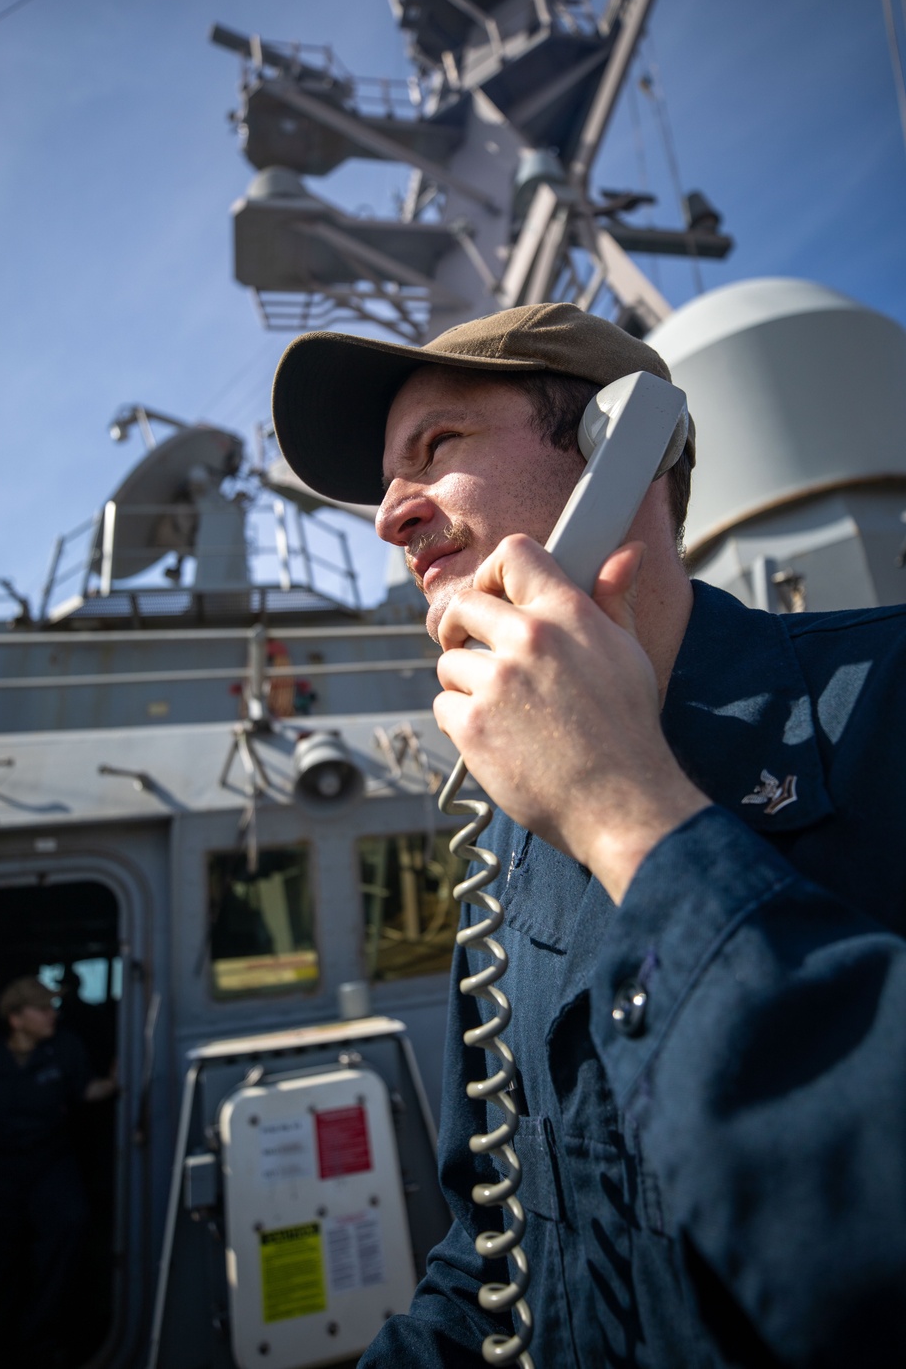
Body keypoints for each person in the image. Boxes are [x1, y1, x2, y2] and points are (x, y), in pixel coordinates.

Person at [271, 302, 906, 1367]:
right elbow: (489, 1264)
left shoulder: (887, 701)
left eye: (437, 448)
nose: (389, 517)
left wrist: (620, 807)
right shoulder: (504, 837)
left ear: (625, 441)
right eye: (387, 480)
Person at [0, 975, 118, 1367]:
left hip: (48, 1164)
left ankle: (39, 1338)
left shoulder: (65, 1049)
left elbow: (85, 1091)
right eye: (41, 1008)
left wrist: (115, 1081)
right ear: (16, 1019)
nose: (51, 1014)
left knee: (68, 1228)